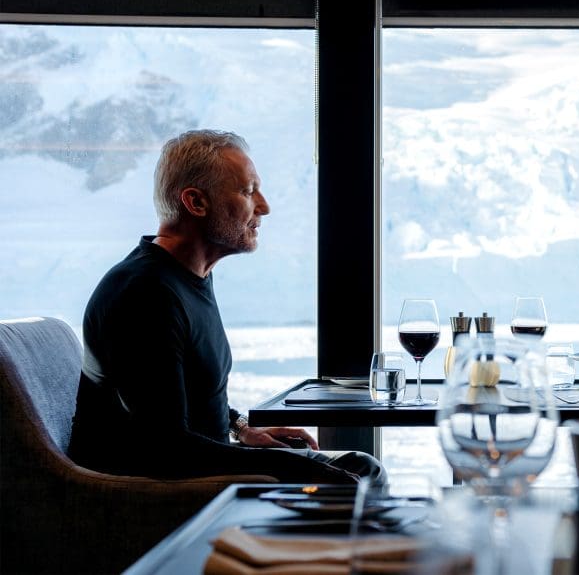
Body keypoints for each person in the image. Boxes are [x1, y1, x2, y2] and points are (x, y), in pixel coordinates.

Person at [68, 129, 386, 484]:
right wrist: (297, 468)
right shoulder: (144, 294)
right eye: (248, 191)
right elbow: (164, 449)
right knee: (351, 480)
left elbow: (184, 394)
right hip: (154, 496)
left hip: (198, 463)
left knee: (361, 468)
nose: (263, 206)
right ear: (196, 203)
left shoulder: (186, 275)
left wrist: (241, 428)